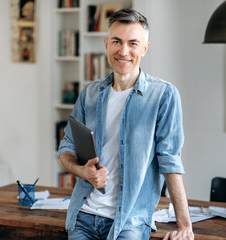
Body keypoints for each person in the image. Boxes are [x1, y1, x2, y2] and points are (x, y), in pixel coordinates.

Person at [58, 8, 194, 240]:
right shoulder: (90, 93)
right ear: (106, 44)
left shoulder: (164, 95)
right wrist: (83, 171)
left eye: (133, 43)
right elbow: (66, 148)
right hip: (83, 216)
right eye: (117, 42)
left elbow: (170, 161)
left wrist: (184, 225)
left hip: (129, 222)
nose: (123, 51)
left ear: (145, 48)